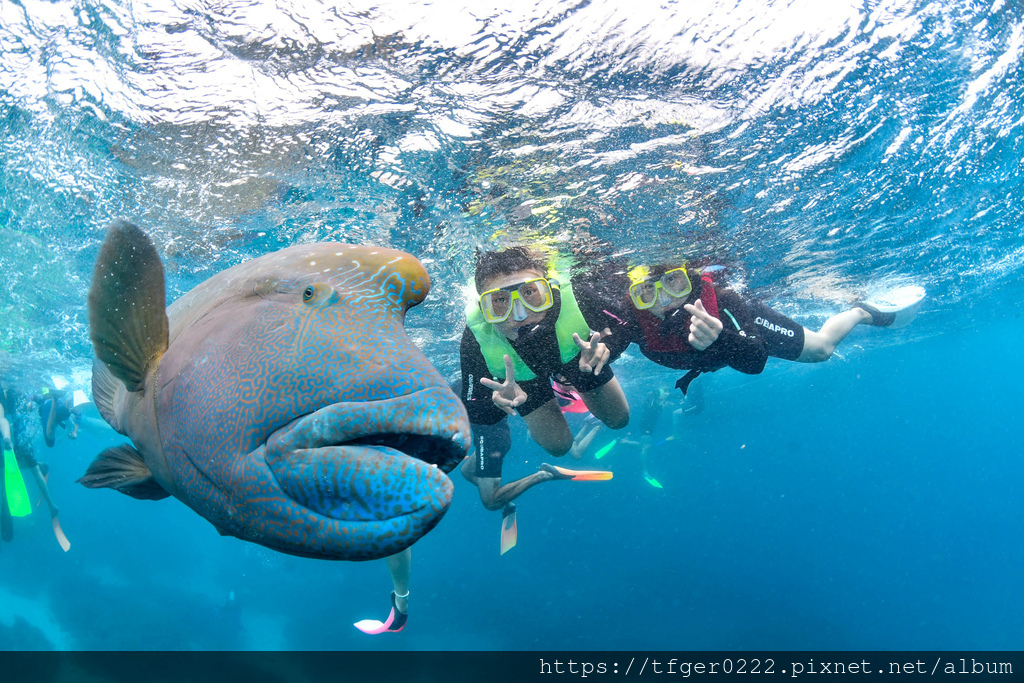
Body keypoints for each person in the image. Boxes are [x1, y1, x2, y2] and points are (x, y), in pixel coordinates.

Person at [457, 247, 627, 551]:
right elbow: (476, 408)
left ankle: (575, 390)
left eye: (531, 294)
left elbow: (626, 325)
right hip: (522, 384)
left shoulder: (578, 297)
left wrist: (608, 347)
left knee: (619, 420)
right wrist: (501, 402)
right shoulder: (474, 339)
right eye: (499, 302)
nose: (520, 314)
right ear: (484, 309)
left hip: (581, 360)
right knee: (560, 448)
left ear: (549, 289)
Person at [602, 263, 924, 395]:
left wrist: (720, 339)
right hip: (712, 353)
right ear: (635, 296)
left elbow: (755, 363)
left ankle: (861, 312)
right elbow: (602, 351)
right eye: (647, 290)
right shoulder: (632, 320)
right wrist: (591, 359)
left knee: (823, 349)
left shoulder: (726, 302)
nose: (663, 299)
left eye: (673, 281)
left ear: (692, 279)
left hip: (743, 329)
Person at [0, 386, 70, 551]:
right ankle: (52, 504)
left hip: (16, 400)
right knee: (31, 463)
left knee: (3, 418)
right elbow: (31, 404)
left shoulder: (8, 393)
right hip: (21, 401)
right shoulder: (22, 394)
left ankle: (8, 439)